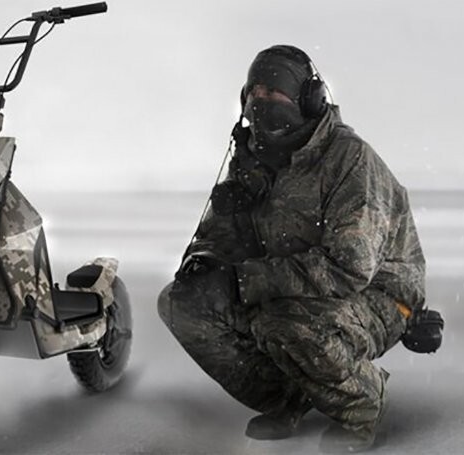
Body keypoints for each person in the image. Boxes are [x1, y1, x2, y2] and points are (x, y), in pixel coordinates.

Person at [157, 44, 428, 453]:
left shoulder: (349, 160)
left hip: (379, 293)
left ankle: (362, 404)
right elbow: (226, 239)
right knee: (183, 303)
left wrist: (246, 280)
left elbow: (349, 268)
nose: (262, 102)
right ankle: (289, 396)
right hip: (290, 280)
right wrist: (210, 256)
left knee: (284, 323)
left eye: (275, 92)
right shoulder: (254, 154)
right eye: (255, 93)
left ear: (308, 99)